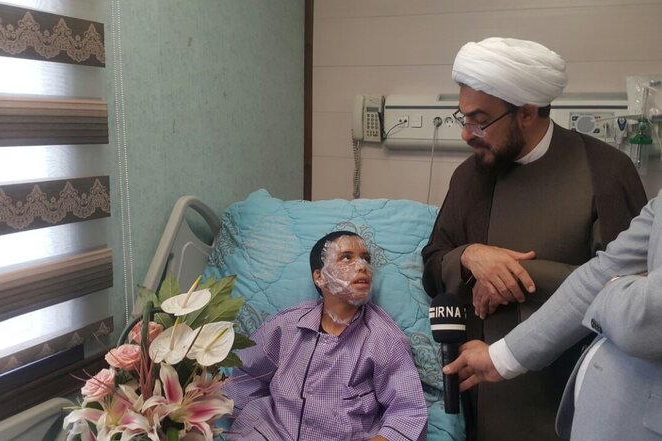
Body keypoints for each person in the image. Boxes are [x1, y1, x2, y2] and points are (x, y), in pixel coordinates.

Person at [421, 37, 647, 441]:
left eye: (480, 120)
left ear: (526, 112)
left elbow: (631, 294)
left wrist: (519, 275)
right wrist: (470, 256)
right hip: (483, 396)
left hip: (576, 396)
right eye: (462, 117)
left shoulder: (606, 171)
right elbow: (433, 264)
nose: (466, 134)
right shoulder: (471, 176)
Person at [443, 190, 662, 441]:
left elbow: (648, 314)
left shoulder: (603, 176)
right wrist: (500, 357)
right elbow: (601, 271)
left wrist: (612, 287)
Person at [223, 231, 428, 441]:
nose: (362, 266)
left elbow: (409, 412)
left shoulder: (385, 339)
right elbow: (243, 376)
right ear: (319, 277)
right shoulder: (286, 326)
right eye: (346, 258)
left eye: (366, 259)